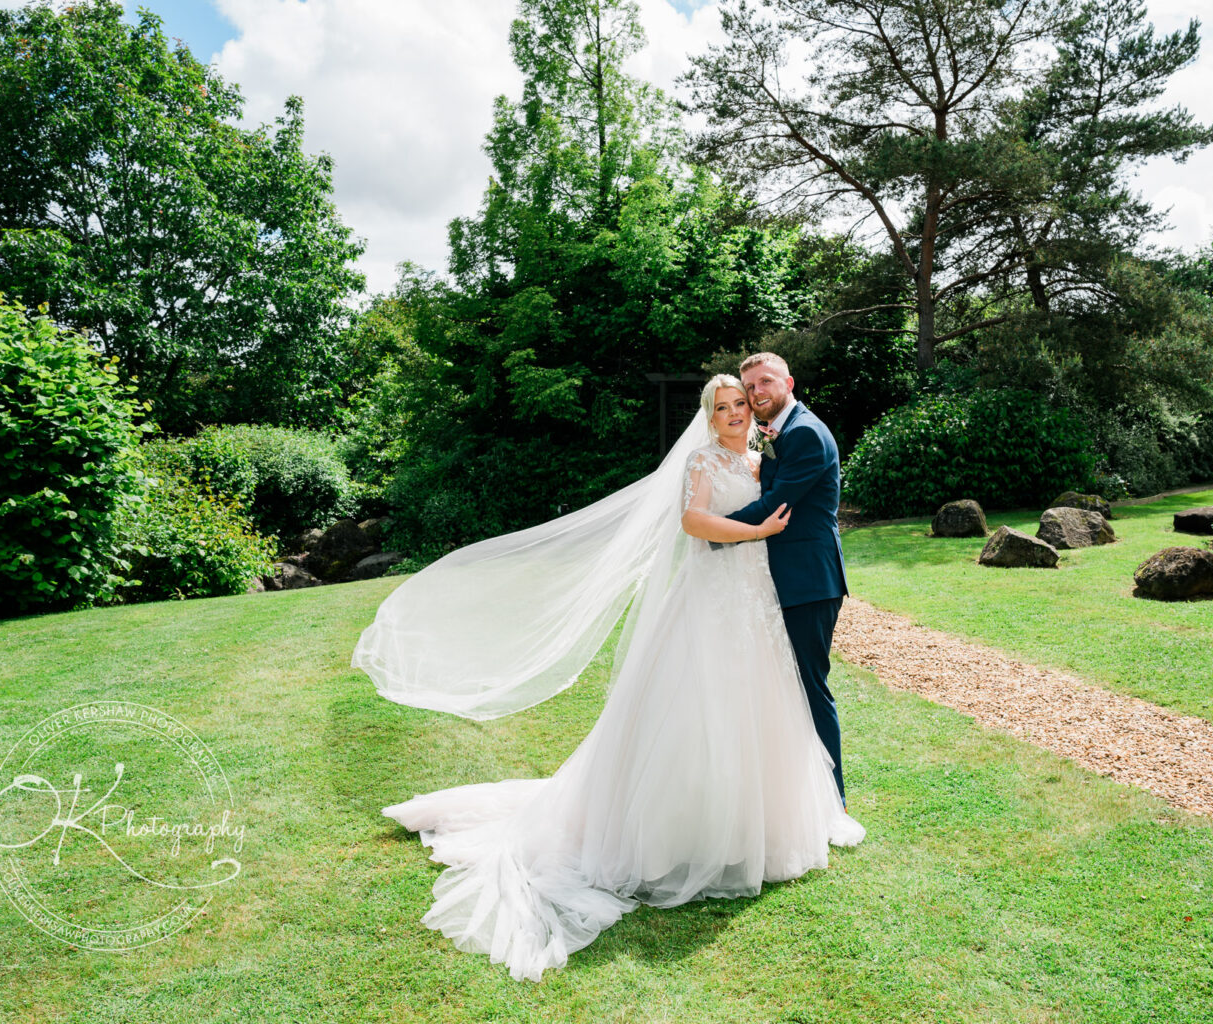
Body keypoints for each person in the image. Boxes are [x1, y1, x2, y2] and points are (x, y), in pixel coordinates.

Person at [351, 374, 864, 982]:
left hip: (755, 600)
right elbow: (694, 524)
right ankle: (689, 835)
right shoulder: (701, 461)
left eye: (740, 404)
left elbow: (780, 502)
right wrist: (755, 532)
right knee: (698, 707)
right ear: (709, 415)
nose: (734, 413)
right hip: (710, 600)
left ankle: (763, 825)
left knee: (763, 706)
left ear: (757, 409)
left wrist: (760, 531)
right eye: (723, 406)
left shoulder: (760, 457)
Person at [723, 353, 850, 804]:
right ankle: (797, 799)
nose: (757, 393)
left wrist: (712, 532)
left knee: (810, 689)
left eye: (765, 382)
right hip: (781, 579)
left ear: (789, 382)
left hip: (809, 581)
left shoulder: (806, 435)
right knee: (783, 689)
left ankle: (832, 803)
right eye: (750, 387)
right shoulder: (782, 431)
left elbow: (776, 506)